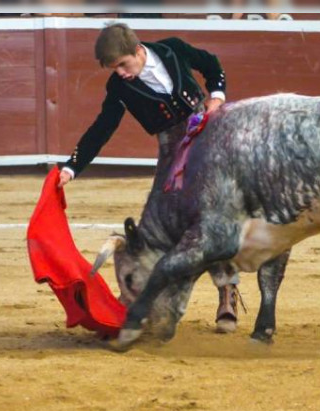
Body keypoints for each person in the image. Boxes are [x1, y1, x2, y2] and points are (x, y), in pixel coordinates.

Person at [59, 23, 242, 334]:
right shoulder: (119, 88)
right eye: (114, 68)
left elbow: (210, 64)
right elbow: (102, 128)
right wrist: (71, 167)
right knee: (162, 224)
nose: (120, 73)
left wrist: (217, 96)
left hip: (210, 137)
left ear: (137, 51)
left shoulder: (172, 49)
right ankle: (142, 293)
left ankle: (228, 291)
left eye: (122, 65)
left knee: (213, 215)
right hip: (173, 153)